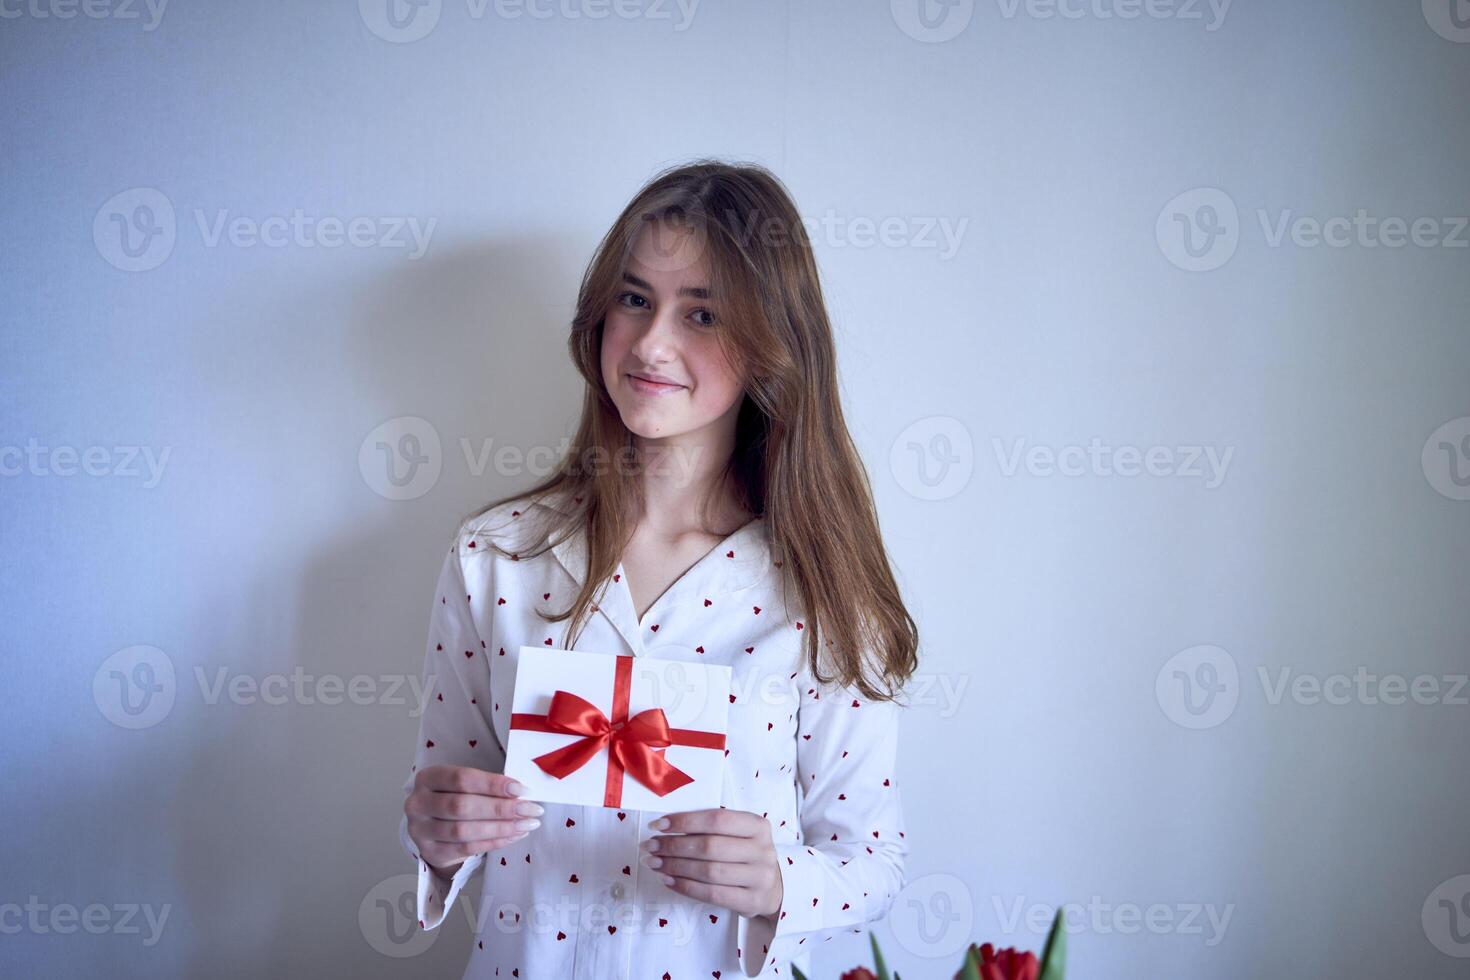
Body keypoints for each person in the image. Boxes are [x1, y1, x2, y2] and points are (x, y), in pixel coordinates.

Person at [398, 159, 920, 979]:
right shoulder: (493, 557)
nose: (651, 342)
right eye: (635, 299)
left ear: (770, 347)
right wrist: (432, 832)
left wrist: (783, 879)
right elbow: (443, 797)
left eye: (703, 312)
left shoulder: (823, 594)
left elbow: (874, 860)